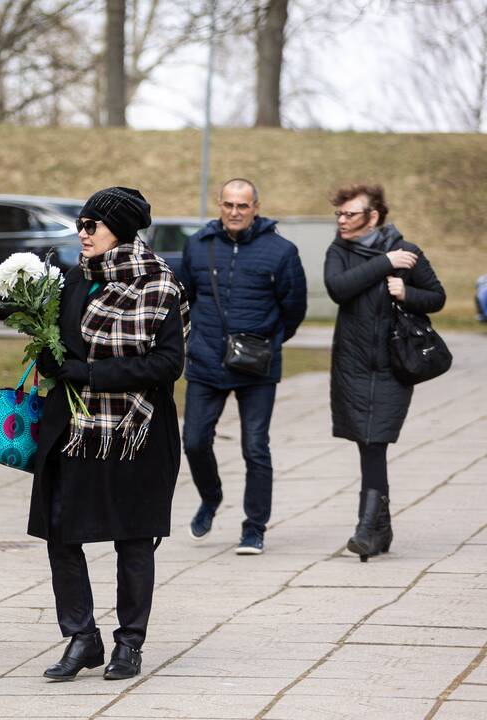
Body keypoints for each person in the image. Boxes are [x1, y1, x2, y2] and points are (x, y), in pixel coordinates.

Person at [32, 187, 189, 682]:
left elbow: (168, 364)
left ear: (119, 230)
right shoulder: (73, 281)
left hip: (134, 432)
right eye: (80, 224)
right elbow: (59, 345)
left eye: (91, 226)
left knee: (134, 540)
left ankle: (129, 644)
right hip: (72, 429)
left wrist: (89, 374)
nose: (81, 233)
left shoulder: (159, 285)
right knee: (60, 533)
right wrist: (47, 357)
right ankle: (81, 637)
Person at [179, 178, 307, 555]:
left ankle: (254, 527)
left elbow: (294, 307)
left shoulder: (281, 251)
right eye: (229, 204)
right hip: (204, 361)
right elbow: (186, 296)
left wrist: (268, 342)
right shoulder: (198, 246)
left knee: (255, 447)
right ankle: (211, 497)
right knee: (195, 441)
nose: (235, 212)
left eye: (243, 206)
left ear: (256, 208)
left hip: (257, 367)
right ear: (219, 205)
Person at [324, 184, 445, 561]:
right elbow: (338, 288)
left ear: (373, 216)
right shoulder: (339, 251)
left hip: (394, 365)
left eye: (350, 214)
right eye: (339, 214)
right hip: (353, 364)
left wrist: (407, 294)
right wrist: (386, 263)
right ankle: (381, 529)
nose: (342, 221)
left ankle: (366, 530)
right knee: (366, 441)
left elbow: (437, 298)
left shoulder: (409, 252)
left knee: (375, 441)